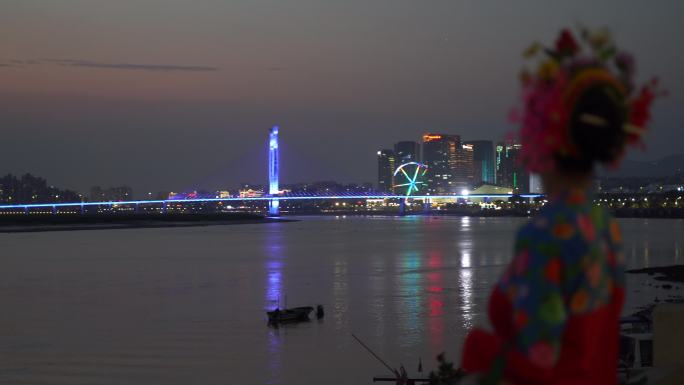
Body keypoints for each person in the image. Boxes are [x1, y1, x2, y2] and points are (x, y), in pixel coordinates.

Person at [459, 28, 660, 385]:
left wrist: (481, 351)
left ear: (544, 142)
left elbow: (541, 361)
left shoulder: (547, 233)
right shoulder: (603, 223)